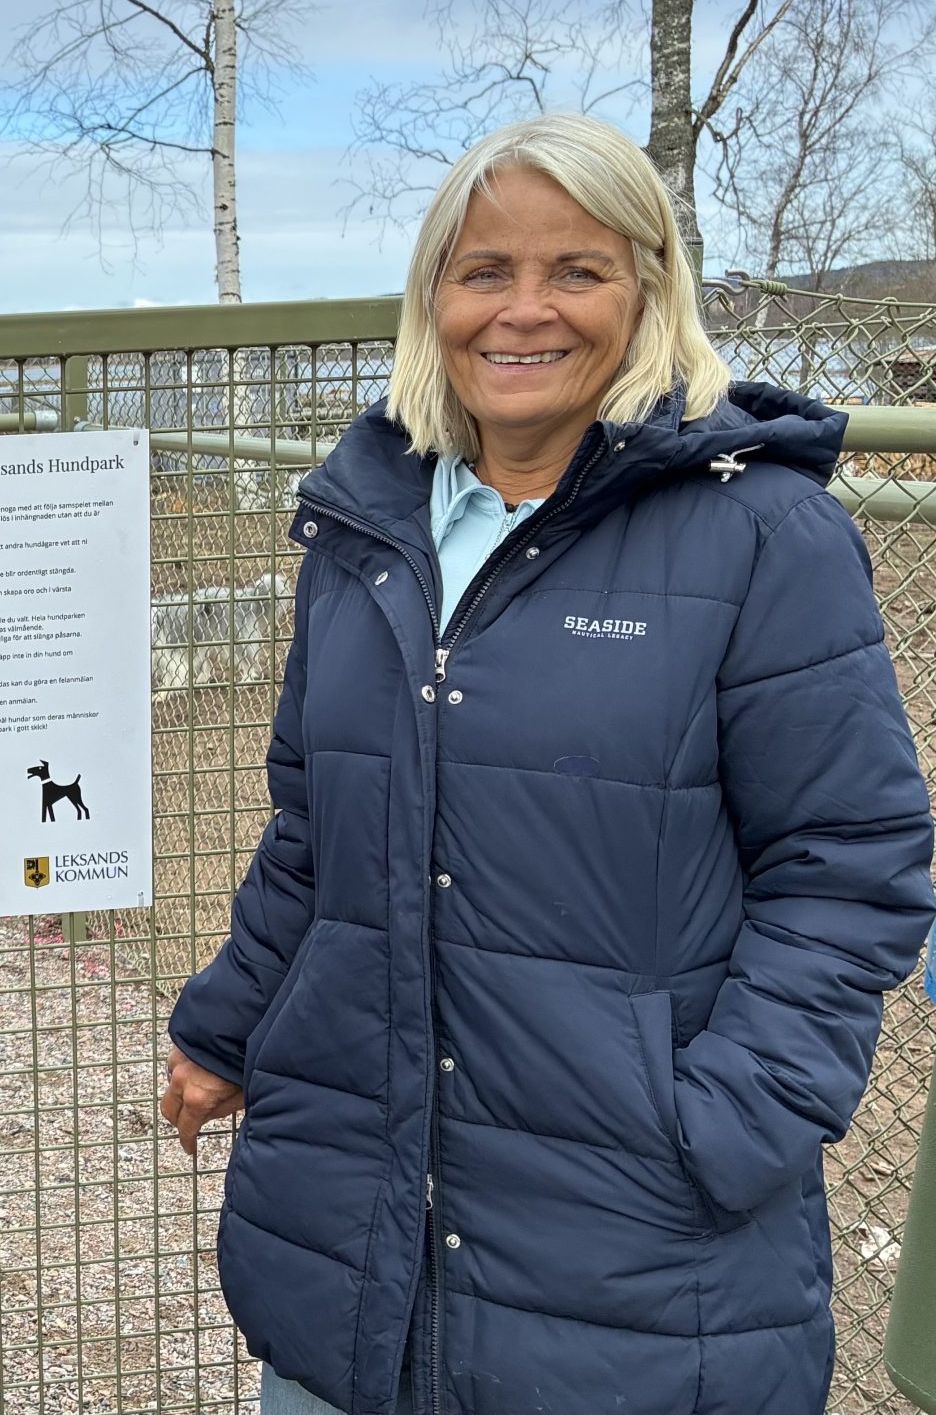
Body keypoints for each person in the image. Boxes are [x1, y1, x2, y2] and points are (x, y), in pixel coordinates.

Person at [163, 111, 936, 1415]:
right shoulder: (366, 540)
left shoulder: (763, 538)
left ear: (648, 289)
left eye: (576, 269)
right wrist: (227, 1026)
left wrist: (728, 1121)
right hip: (358, 1251)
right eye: (484, 272)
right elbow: (313, 834)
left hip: (632, 1275)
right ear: (433, 301)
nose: (524, 311)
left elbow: (848, 866)